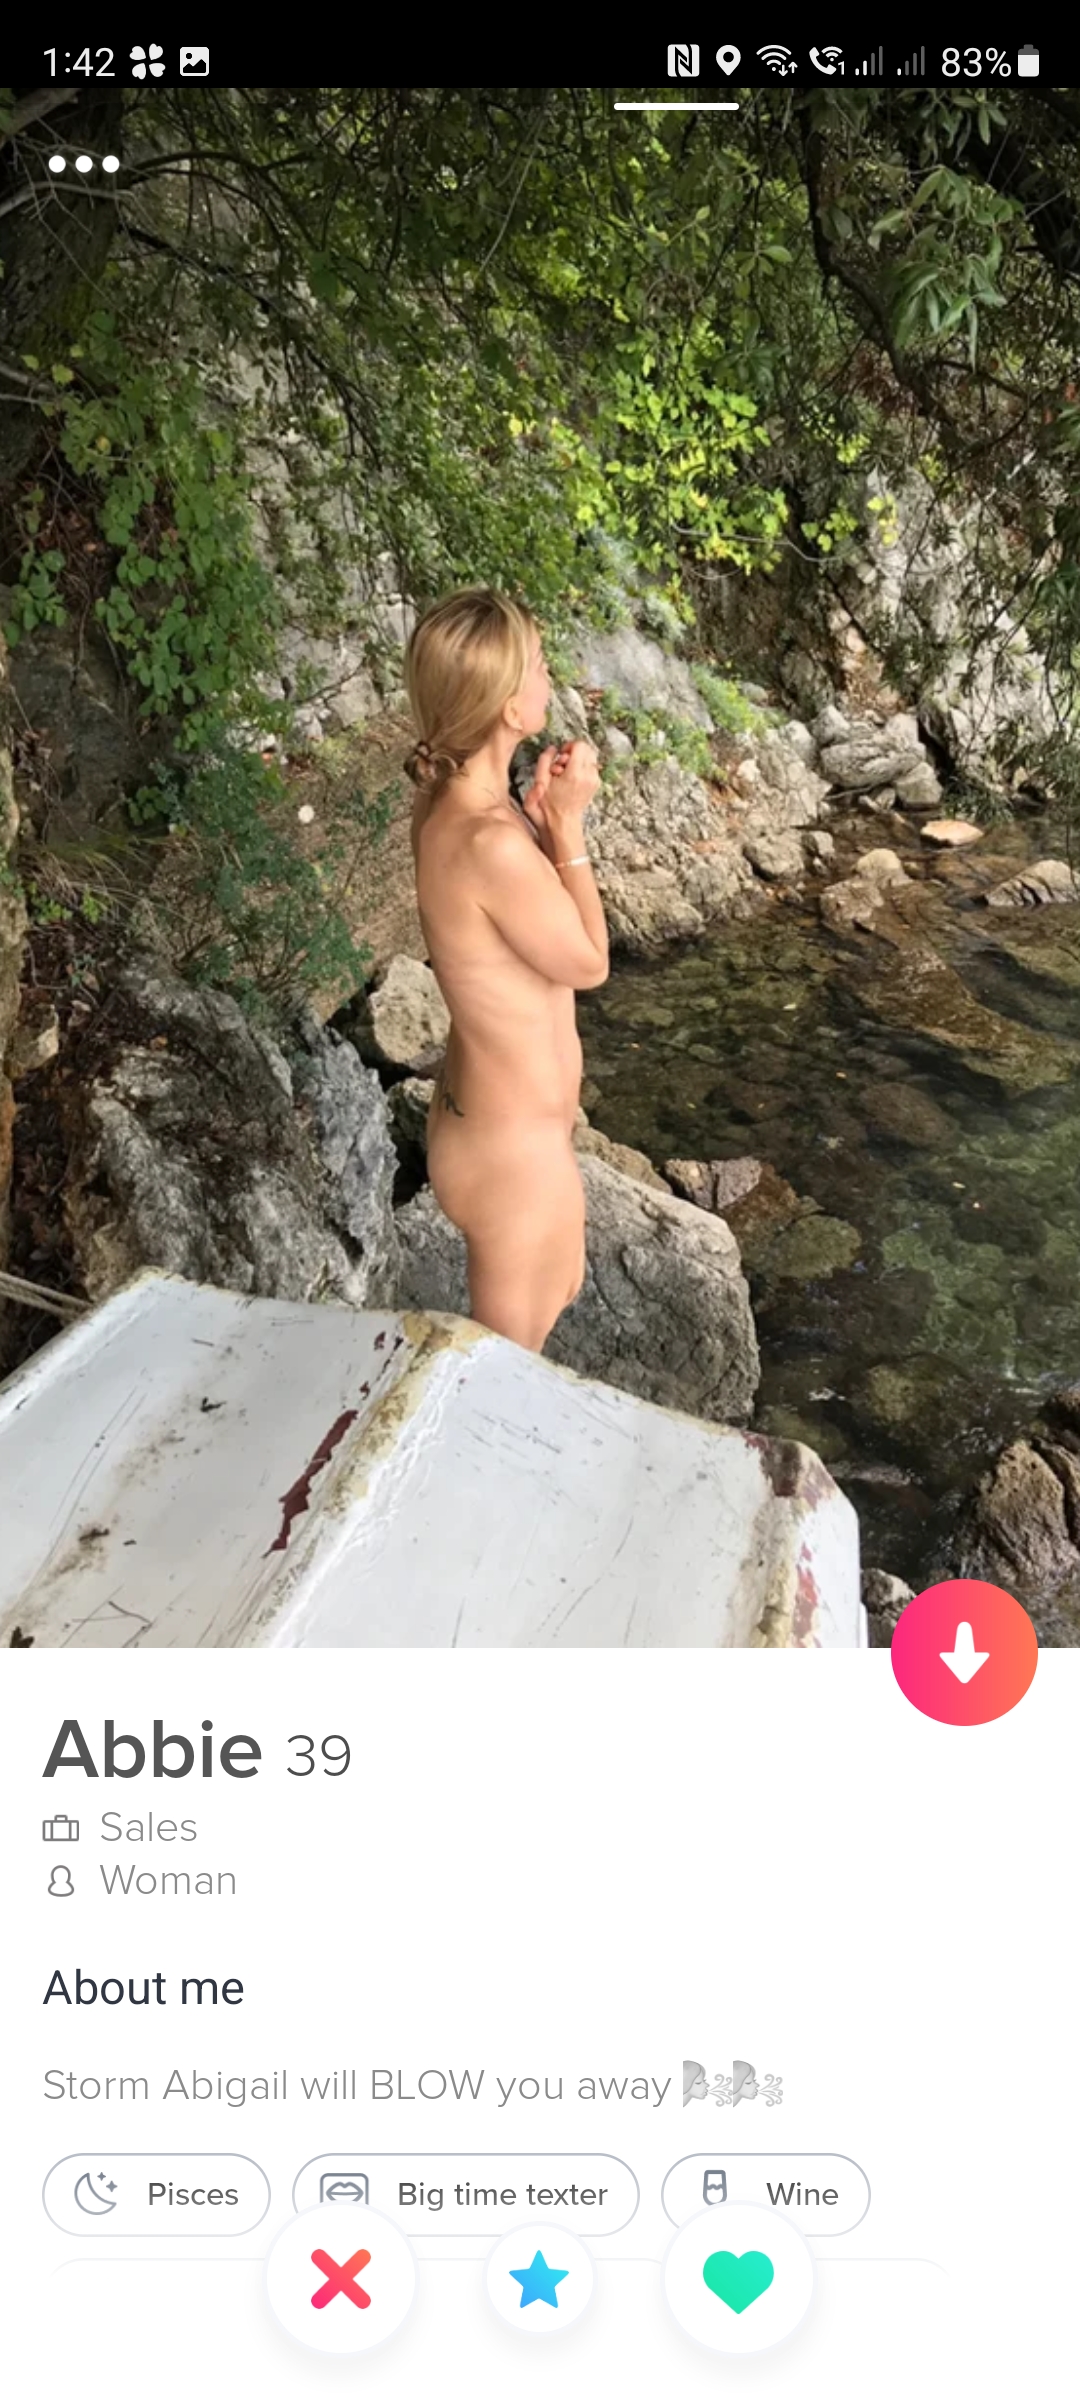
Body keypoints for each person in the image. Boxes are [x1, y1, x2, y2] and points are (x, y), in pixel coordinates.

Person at [403, 587, 609, 1351]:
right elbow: (588, 962)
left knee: (553, 1295)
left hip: (499, 1133)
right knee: (501, 1375)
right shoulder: (490, 839)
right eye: (540, 663)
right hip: (508, 1155)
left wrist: (540, 816)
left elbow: (512, 930)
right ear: (511, 709)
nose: (551, 674)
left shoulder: (452, 803)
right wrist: (570, 827)